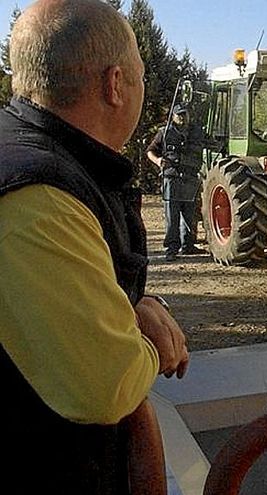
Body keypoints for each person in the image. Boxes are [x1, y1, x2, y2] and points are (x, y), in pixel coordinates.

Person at [0, 1, 189, 493]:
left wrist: (126, 304)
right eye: (142, 77)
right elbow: (108, 385)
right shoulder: (39, 195)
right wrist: (138, 330)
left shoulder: (33, 160)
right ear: (114, 84)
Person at [147, 104, 205, 261]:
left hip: (190, 178)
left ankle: (188, 245)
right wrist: (158, 160)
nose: (182, 117)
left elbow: (210, 146)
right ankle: (171, 249)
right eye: (179, 114)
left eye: (184, 114)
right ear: (172, 116)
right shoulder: (164, 132)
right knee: (172, 216)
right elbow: (150, 151)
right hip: (172, 178)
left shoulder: (197, 132)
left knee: (190, 214)